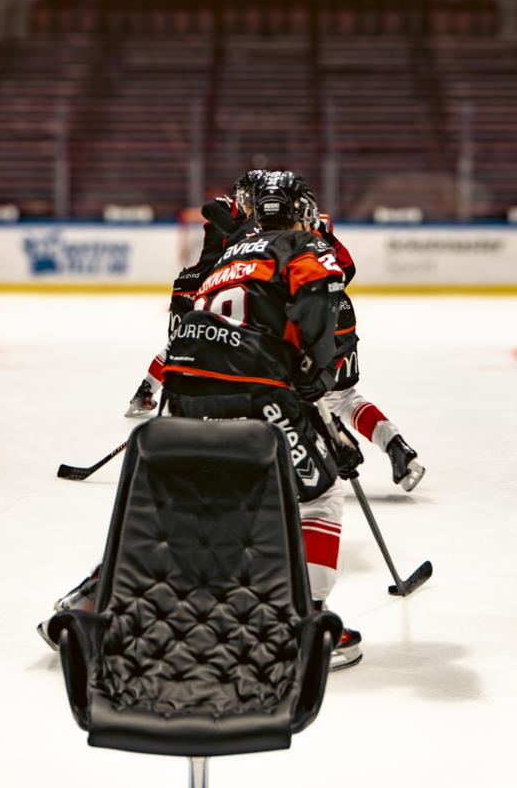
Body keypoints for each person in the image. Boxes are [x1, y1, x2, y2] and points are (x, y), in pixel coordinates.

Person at [162, 170, 362, 669]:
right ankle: (307, 624)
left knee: (205, 501)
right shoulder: (301, 244)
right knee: (319, 495)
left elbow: (189, 318)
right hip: (253, 392)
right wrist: (316, 371)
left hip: (186, 393)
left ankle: (98, 599)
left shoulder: (228, 255)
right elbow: (318, 298)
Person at [307, 203, 426, 493]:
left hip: (310, 318)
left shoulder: (273, 230)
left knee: (294, 395)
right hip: (341, 313)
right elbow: (347, 268)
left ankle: (328, 449)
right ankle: (396, 445)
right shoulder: (318, 223)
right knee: (343, 396)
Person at [124, 170, 265, 417]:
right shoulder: (227, 208)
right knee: (181, 347)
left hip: (214, 288)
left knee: (193, 345)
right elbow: (211, 209)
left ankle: (161, 395)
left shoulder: (257, 224)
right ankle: (150, 394)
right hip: (194, 288)